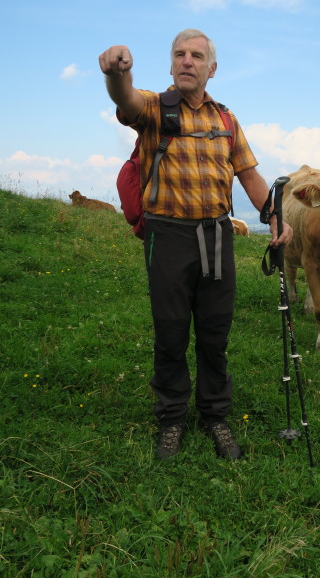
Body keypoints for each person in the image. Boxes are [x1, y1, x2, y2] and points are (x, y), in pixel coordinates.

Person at [99, 29, 293, 461]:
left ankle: (214, 416)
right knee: (170, 333)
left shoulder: (226, 120)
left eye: (196, 55)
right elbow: (123, 100)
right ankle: (171, 419)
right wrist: (116, 74)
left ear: (211, 68)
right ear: (170, 65)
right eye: (179, 54)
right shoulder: (152, 108)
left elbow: (249, 177)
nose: (187, 61)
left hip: (218, 235)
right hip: (167, 236)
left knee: (214, 332)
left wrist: (275, 217)